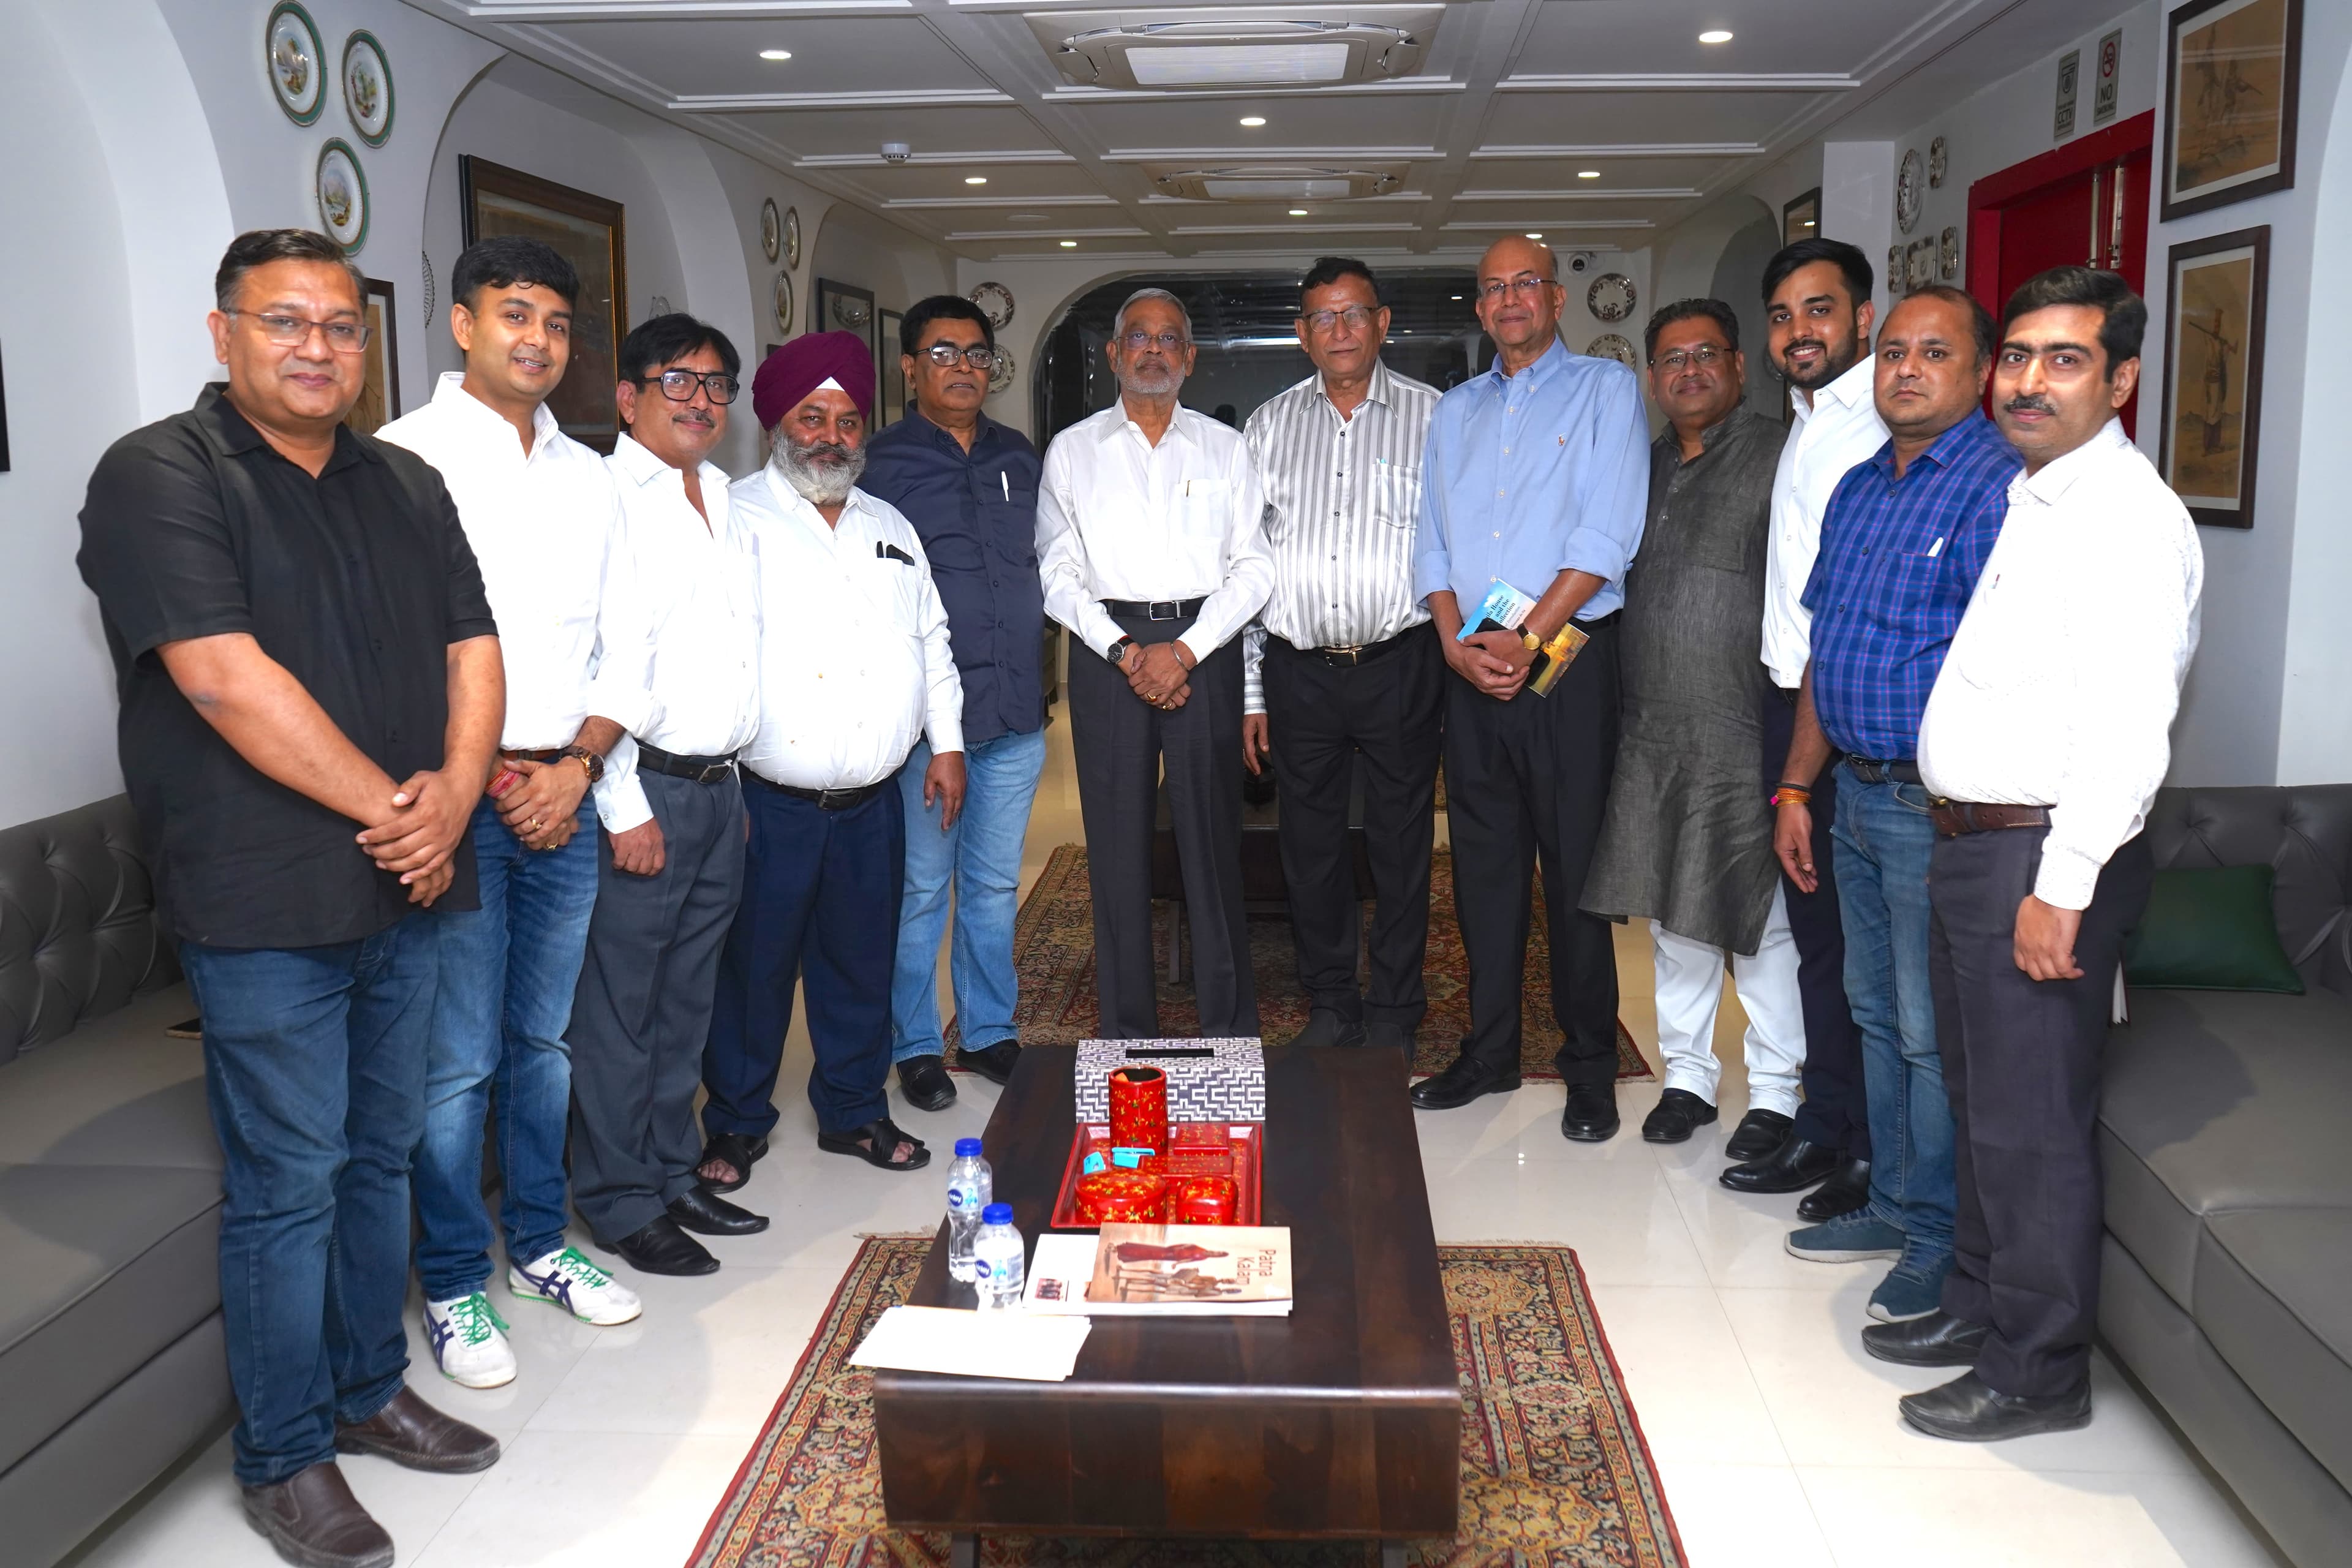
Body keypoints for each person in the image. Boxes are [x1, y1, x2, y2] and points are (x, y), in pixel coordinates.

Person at [77, 228, 504, 1568]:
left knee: (383, 1155)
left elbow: (474, 648)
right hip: (264, 900)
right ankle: (283, 1455)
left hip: (411, 886)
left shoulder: (406, 478)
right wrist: (406, 811)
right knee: (288, 1181)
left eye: (338, 324)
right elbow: (220, 677)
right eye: (283, 322)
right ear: (224, 335)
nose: (316, 346)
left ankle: (369, 1388)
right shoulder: (159, 473)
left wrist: (454, 793)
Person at [1874, 268, 2201, 1440]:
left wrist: (2062, 892)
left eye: (2062, 359)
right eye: (2015, 356)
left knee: (2032, 1125)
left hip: (2038, 860)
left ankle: (2039, 1370)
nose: (2026, 380)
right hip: (1975, 848)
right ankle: (1979, 1304)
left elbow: (2127, 729)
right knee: (1980, 1105)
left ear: (2120, 380)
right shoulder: (2038, 493)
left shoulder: (2125, 519)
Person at [375, 236, 640, 1391]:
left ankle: (536, 1245)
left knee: (542, 1043)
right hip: (457, 802)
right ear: (462, 324)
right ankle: (450, 1280)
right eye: (515, 315)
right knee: (457, 1060)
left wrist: (579, 769)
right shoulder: (397, 461)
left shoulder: (592, 473)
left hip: (564, 791)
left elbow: (629, 643)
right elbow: (383, 657)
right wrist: (481, 780)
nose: (538, 341)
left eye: (558, 326)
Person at [1773, 285, 2021, 1324]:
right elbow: (1832, 654)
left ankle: (1935, 1239)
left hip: (1939, 810)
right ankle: (1890, 1196)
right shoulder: (1863, 489)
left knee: (1927, 1033)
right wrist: (1795, 781)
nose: (1906, 370)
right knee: (1875, 1012)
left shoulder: (2002, 490)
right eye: (1892, 355)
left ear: (1980, 372)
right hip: (1853, 794)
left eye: (1933, 352)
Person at [701, 333, 964, 1177]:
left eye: (848, 420)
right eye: (812, 417)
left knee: (860, 962)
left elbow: (933, 638)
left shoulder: (890, 523)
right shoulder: (730, 516)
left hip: (872, 802)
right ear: (777, 422)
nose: (832, 436)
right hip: (766, 800)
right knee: (754, 969)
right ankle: (737, 1120)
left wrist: (948, 745)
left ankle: (853, 1110)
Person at [1408, 236, 1648, 1141]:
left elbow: (1605, 533)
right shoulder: (1456, 411)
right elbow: (1429, 539)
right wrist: (1454, 644)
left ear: (1556, 298)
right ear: (1480, 308)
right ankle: (1493, 1049)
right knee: (1483, 869)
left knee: (1575, 871)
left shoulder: (1605, 391)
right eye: (1493, 289)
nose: (1510, 300)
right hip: (1470, 665)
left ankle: (1590, 1065)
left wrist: (1527, 635)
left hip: (1568, 662)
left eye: (1526, 285)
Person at [568, 313, 766, 1278]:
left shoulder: (724, 494)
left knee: (688, 1001)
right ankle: (616, 1201)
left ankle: (669, 1171)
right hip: (642, 787)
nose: (700, 400)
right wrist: (620, 803)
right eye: (679, 382)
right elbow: (592, 663)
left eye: (716, 385)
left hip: (721, 789)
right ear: (629, 398)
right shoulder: (601, 495)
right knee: (623, 1009)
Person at [1583, 300, 1803, 1153]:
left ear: (1741, 366)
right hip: (1653, 735)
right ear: (1651, 378)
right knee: (1675, 920)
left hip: (1746, 731)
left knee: (1759, 925)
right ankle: (1688, 1079)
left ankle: (1779, 1090)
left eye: (1706, 354)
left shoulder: (1779, 460)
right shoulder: (1641, 467)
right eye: (1671, 360)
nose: (1688, 372)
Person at [1036, 288, 1273, 1039]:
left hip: (1203, 648)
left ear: (1190, 359)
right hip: (1110, 657)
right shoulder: (1073, 451)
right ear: (1113, 354)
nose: (1153, 351)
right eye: (1138, 337)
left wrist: (1187, 651)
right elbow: (1056, 571)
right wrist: (1126, 651)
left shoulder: (1226, 449)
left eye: (1170, 339)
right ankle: (1127, 1031)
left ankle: (1227, 1027)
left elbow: (1255, 568)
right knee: (1117, 854)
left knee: (1211, 847)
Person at [1240, 257, 1446, 1052]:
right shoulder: (1268, 426)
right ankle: (1331, 998)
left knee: (1401, 845)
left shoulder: (1436, 418)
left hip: (1401, 662)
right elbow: (1250, 565)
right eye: (1323, 318)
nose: (1340, 331)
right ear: (1302, 334)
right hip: (1298, 671)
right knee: (1310, 846)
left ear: (1383, 322)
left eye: (1354, 314)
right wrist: (1253, 697)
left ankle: (1396, 1006)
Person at [1721, 238, 1887, 1218]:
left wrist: (1795, 770)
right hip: (1791, 703)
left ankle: (1863, 1147)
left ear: (1863, 317)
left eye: (1819, 311)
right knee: (1819, 938)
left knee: (1854, 950)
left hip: (1838, 719)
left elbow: (1847, 616)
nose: (1800, 332)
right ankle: (1829, 1127)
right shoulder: (1805, 421)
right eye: (1782, 317)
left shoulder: (1879, 426)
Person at [862, 296, 1044, 1109]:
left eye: (977, 355)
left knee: (995, 886)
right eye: (944, 354)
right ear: (909, 368)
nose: (964, 368)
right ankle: (913, 1045)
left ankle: (988, 1032)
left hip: (1014, 717)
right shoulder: (878, 465)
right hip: (926, 732)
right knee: (923, 892)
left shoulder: (1020, 454)